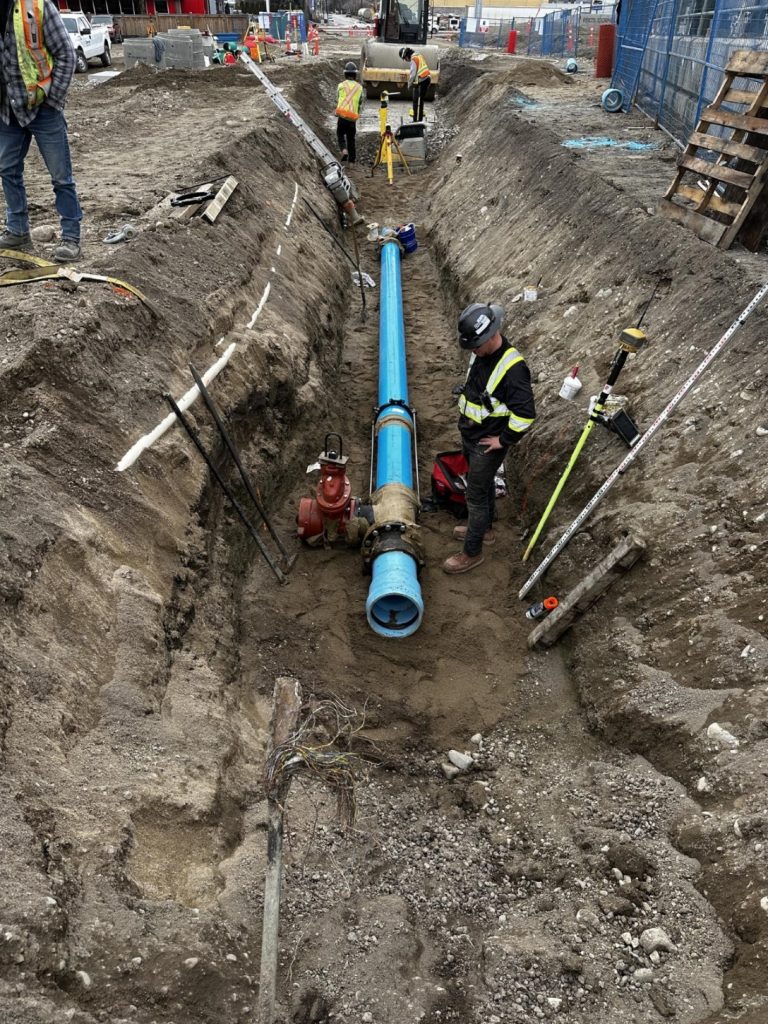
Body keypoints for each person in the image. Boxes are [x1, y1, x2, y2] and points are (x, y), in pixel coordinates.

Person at [443, 302, 536, 575]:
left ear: (491, 335)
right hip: (473, 434)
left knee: (475, 495)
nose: (472, 351)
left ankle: (471, 553)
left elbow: (526, 414)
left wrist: (503, 440)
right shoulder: (481, 353)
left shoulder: (514, 369)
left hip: (488, 442)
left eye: (475, 346)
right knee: (481, 489)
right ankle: (485, 529)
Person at [0, 0, 82, 261]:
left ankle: (71, 237)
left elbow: (66, 56)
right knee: (7, 170)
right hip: (7, 109)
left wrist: (53, 100)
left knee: (60, 176)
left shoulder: (37, 7)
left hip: (43, 107)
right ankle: (18, 231)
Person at [335, 61, 363, 164]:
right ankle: (352, 162)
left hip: (342, 116)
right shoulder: (359, 88)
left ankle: (344, 150)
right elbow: (360, 102)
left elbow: (338, 98)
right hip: (352, 118)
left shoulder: (341, 85)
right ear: (355, 74)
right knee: (351, 139)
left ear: (345, 74)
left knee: (340, 134)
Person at [399, 45, 430, 123]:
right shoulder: (418, 55)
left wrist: (409, 84)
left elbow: (413, 74)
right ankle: (418, 120)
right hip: (425, 79)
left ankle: (417, 121)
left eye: (405, 59)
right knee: (420, 100)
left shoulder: (413, 59)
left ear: (406, 55)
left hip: (423, 80)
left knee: (417, 101)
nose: (406, 60)